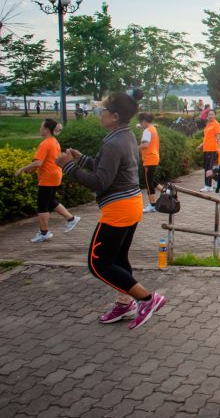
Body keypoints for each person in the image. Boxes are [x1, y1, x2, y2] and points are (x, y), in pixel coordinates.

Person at [56, 90, 167, 329]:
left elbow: (99, 181)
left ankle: (147, 299)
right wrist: (82, 159)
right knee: (118, 259)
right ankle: (125, 303)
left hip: (118, 210)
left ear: (115, 116)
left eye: (103, 110)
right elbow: (105, 168)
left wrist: (68, 167)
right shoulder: (124, 136)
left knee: (99, 264)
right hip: (130, 205)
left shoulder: (115, 141)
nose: (100, 113)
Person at [14, 118, 81, 242]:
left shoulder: (45, 143)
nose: (40, 129)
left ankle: (44, 233)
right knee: (50, 202)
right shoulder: (54, 141)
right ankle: (71, 219)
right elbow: (45, 161)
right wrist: (32, 169)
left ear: (46, 129)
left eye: (41, 127)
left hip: (48, 177)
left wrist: (22, 169)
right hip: (55, 175)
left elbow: (38, 162)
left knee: (42, 205)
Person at [138, 113, 161, 213]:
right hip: (153, 157)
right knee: (150, 179)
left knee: (148, 183)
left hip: (149, 159)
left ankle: (153, 205)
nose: (140, 124)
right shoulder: (152, 128)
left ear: (144, 121)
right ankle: (166, 191)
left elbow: (145, 144)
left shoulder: (147, 131)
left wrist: (134, 149)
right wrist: (140, 127)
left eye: (140, 122)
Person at [196, 108, 220, 192]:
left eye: (212, 114)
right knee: (207, 167)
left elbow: (218, 138)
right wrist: (201, 145)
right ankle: (218, 181)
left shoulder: (216, 124)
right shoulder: (208, 124)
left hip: (212, 149)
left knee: (208, 168)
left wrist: (219, 149)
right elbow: (206, 138)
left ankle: (208, 185)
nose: (210, 116)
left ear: (215, 115)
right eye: (209, 114)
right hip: (206, 149)